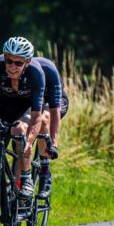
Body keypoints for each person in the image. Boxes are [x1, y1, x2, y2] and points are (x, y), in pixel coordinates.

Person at [0, 36, 45, 226]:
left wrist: (29, 141)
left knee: (19, 133)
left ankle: (25, 180)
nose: (12, 66)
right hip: (4, 106)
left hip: (26, 109)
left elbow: (37, 117)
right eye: (9, 61)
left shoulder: (36, 74)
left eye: (18, 62)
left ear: (27, 62)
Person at [32, 56, 68, 197]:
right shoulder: (21, 71)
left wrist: (53, 142)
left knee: (44, 118)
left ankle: (45, 172)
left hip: (54, 102)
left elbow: (54, 110)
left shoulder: (48, 69)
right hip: (36, 101)